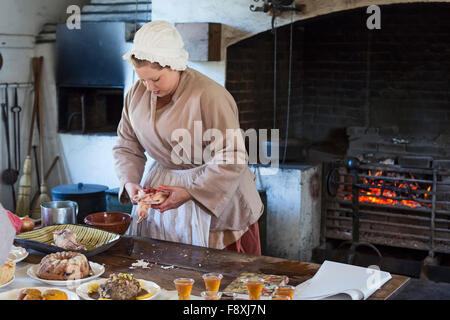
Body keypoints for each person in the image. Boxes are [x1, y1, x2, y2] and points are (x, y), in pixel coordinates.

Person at [113, 21, 263, 255]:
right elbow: (127, 144)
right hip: (161, 189)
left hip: (212, 188)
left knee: (215, 279)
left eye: (156, 79)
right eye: (142, 79)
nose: (149, 86)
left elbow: (232, 155)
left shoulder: (210, 95)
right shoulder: (135, 94)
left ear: (176, 66)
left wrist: (192, 192)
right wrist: (130, 181)